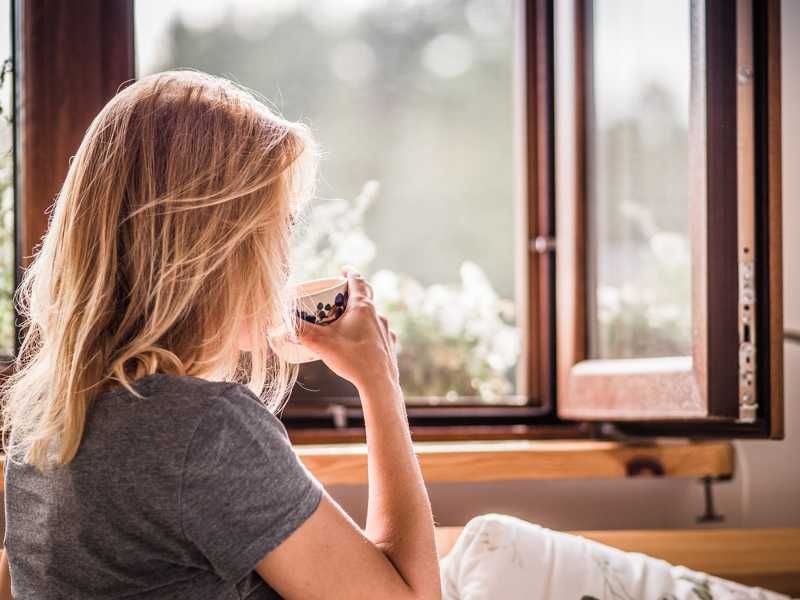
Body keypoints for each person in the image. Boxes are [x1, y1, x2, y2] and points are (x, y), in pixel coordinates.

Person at [0, 70, 441, 600]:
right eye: (278, 227)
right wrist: (379, 380)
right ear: (215, 249)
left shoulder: (41, 423)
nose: (283, 258)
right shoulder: (205, 429)